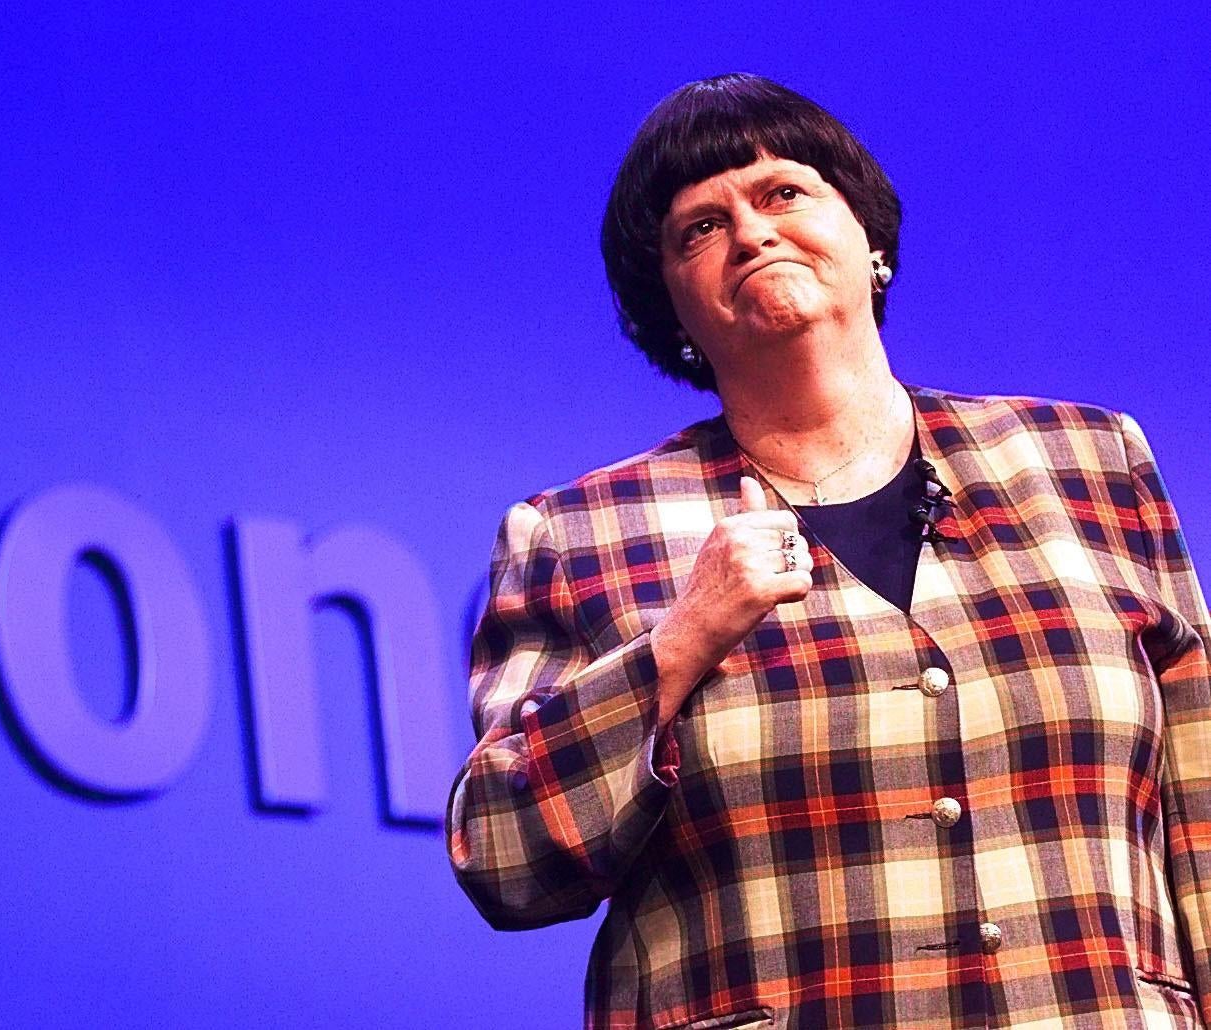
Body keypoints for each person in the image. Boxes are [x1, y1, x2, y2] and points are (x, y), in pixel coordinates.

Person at [445, 73, 1211, 1029]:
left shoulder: (1086, 460)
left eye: (782, 193)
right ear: (670, 308)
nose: (752, 232)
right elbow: (506, 860)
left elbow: (1201, 793)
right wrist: (678, 644)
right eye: (700, 228)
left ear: (871, 239)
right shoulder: (580, 533)